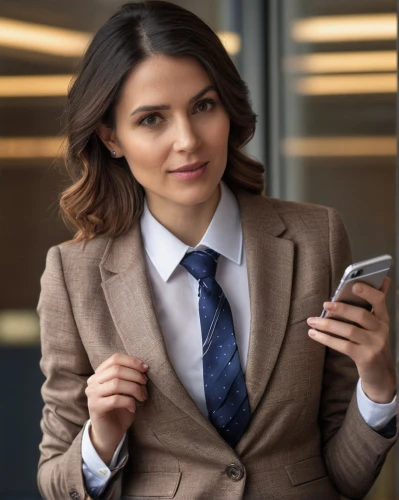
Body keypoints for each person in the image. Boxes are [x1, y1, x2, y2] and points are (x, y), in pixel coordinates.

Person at [37, 2, 397, 499]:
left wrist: (378, 385)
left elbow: (343, 477)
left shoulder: (317, 238)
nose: (187, 140)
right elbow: (54, 479)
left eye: (203, 106)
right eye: (151, 120)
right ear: (110, 137)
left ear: (227, 108)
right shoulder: (72, 275)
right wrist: (102, 438)